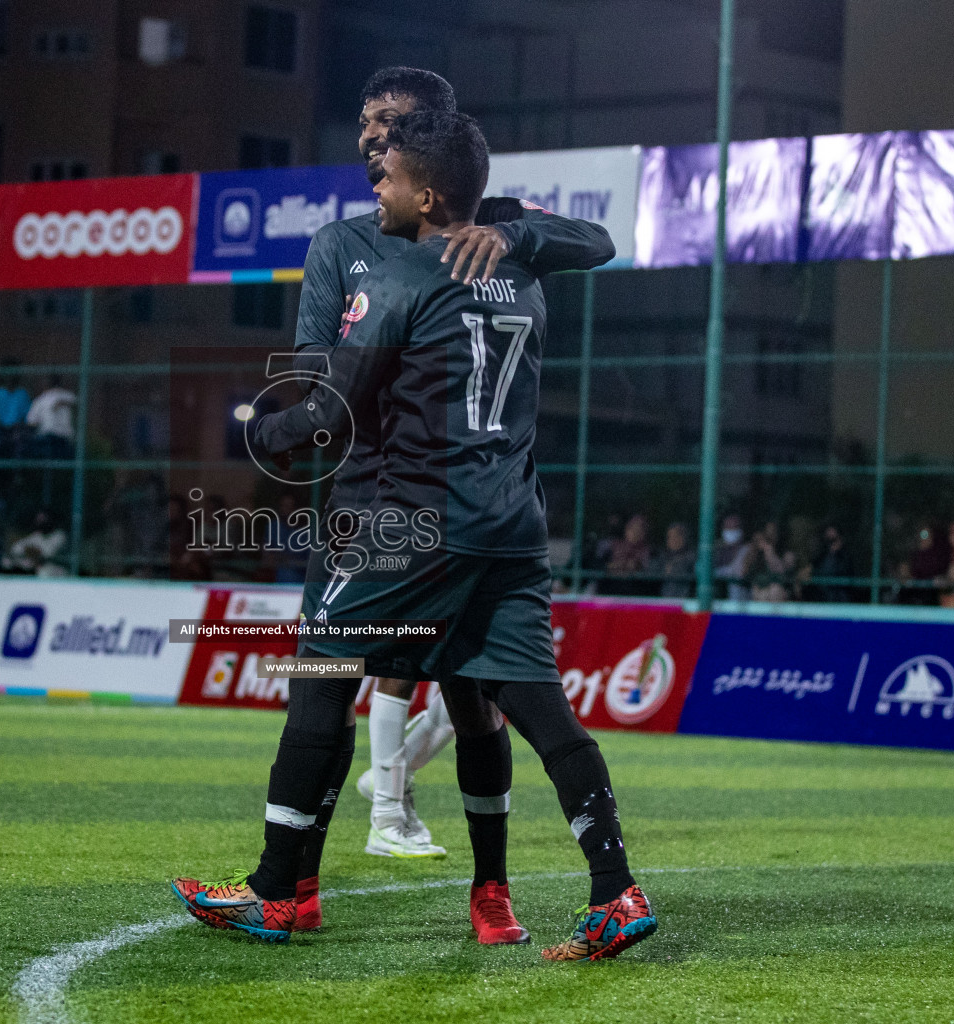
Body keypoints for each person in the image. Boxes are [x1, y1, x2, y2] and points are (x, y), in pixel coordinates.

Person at [172, 110, 652, 961]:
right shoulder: (525, 270)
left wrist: (255, 430)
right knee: (538, 707)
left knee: (321, 668)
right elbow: (593, 245)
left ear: (427, 192)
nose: (376, 185)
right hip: (511, 526)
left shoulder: (397, 281)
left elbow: (331, 408)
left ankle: (278, 889)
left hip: (417, 526)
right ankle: (616, 891)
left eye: (386, 174)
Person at [274, 66, 616, 880]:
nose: (370, 138)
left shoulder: (490, 229)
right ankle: (336, 861)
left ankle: (318, 881)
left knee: (453, 703)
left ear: (433, 138)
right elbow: (320, 375)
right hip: (383, 502)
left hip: (426, 511)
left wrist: (513, 234)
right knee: (368, 686)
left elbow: (597, 241)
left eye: (388, 125)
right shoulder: (344, 244)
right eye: (364, 122)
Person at [26, 376, 77, 459]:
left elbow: (31, 422)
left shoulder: (40, 400)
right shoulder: (68, 395)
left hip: (53, 438)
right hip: (64, 438)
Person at [649, 521, 696, 598]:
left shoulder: (692, 557)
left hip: (685, 602)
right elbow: (650, 573)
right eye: (670, 537)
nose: (673, 540)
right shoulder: (661, 557)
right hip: (662, 602)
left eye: (677, 535)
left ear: (685, 537)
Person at [812, 524, 857, 603]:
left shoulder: (846, 557)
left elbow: (846, 574)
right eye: (829, 540)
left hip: (840, 599)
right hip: (822, 599)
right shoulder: (820, 557)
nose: (831, 543)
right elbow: (816, 572)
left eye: (834, 539)